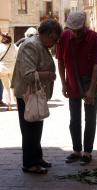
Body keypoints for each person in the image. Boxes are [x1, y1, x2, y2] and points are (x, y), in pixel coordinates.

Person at [11, 19, 62, 174]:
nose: (55, 42)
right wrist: (48, 75)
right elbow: (28, 75)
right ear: (45, 34)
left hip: (36, 94)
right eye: (54, 39)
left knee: (36, 127)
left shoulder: (41, 44)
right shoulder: (31, 45)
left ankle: (37, 157)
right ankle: (29, 163)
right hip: (27, 94)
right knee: (29, 130)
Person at [56, 11, 97, 165]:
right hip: (72, 82)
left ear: (84, 26)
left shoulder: (93, 37)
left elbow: (96, 65)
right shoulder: (64, 37)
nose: (75, 33)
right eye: (73, 30)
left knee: (90, 119)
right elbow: (61, 61)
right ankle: (76, 150)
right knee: (74, 119)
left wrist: (91, 90)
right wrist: (63, 84)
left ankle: (87, 152)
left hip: (91, 81)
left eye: (78, 30)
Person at [0, 33, 17, 110]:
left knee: (6, 87)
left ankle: (9, 105)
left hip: (2, 69)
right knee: (13, 87)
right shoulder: (14, 46)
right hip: (12, 69)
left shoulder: (0, 47)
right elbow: (17, 56)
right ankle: (17, 103)